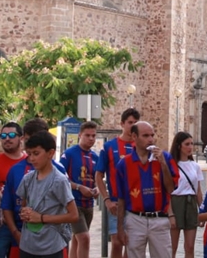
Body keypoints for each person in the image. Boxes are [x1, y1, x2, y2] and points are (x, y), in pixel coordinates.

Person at [1, 118, 68, 258]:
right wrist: (15, 232)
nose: (32, 149)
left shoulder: (59, 172)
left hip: (52, 241)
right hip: (22, 238)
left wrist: (42, 218)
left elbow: (70, 212)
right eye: (28, 141)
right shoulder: (16, 170)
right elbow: (8, 205)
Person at [115, 121, 178, 258]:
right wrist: (120, 228)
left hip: (159, 219)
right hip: (135, 219)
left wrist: (163, 164)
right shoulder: (124, 164)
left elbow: (170, 188)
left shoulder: (166, 158)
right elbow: (121, 199)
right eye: (145, 135)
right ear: (134, 137)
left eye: (152, 135)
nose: (150, 139)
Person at [17, 132, 78, 258]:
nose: (32, 158)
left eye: (36, 153)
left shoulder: (59, 181)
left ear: (50, 153)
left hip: (51, 247)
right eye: (30, 154)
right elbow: (23, 206)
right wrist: (24, 213)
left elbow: (73, 215)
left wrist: (42, 218)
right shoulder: (27, 179)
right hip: (28, 245)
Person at [96, 108, 140, 258]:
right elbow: (98, 175)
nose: (132, 125)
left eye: (135, 123)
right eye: (130, 122)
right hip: (116, 202)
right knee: (116, 243)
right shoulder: (110, 147)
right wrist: (106, 200)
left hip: (136, 203)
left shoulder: (141, 147)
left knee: (131, 243)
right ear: (122, 124)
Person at [62, 121, 99, 258]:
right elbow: (60, 178)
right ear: (80, 135)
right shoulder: (69, 154)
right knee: (84, 238)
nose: (91, 139)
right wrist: (78, 187)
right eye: (87, 135)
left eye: (93, 136)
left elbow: (98, 180)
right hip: (73, 203)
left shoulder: (96, 157)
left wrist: (97, 189)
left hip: (89, 204)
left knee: (77, 240)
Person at [0, 122, 25, 258]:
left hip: (23, 221)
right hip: (0, 223)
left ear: (21, 138)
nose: (7, 139)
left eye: (11, 135)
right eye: (3, 136)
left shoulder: (30, 162)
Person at [168, 131, 200, 258]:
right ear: (179, 146)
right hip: (176, 203)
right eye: (187, 144)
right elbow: (167, 191)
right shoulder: (171, 165)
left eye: (192, 144)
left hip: (191, 203)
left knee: (190, 246)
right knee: (172, 246)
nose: (190, 147)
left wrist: (201, 210)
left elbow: (198, 190)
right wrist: (170, 213)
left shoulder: (195, 166)